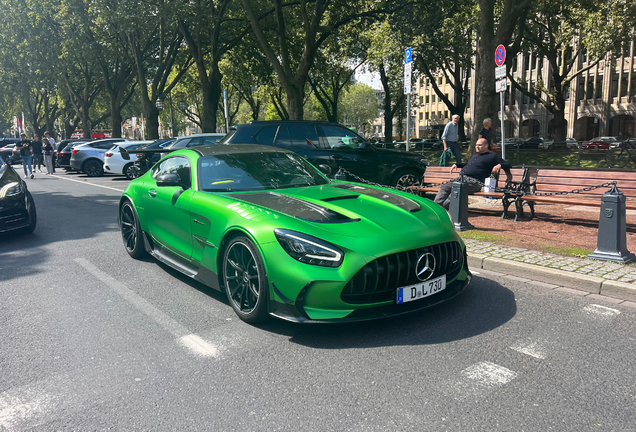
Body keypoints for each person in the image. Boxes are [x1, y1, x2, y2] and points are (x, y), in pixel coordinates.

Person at [434, 138, 511, 209]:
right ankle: (436, 208)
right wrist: (457, 164)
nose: (477, 147)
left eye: (480, 145)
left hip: (475, 183)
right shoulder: (475, 156)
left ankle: (439, 210)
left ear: (486, 146)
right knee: (444, 187)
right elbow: (468, 164)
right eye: (476, 145)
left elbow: (508, 164)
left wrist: (499, 165)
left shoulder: (492, 156)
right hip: (462, 179)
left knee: (456, 190)